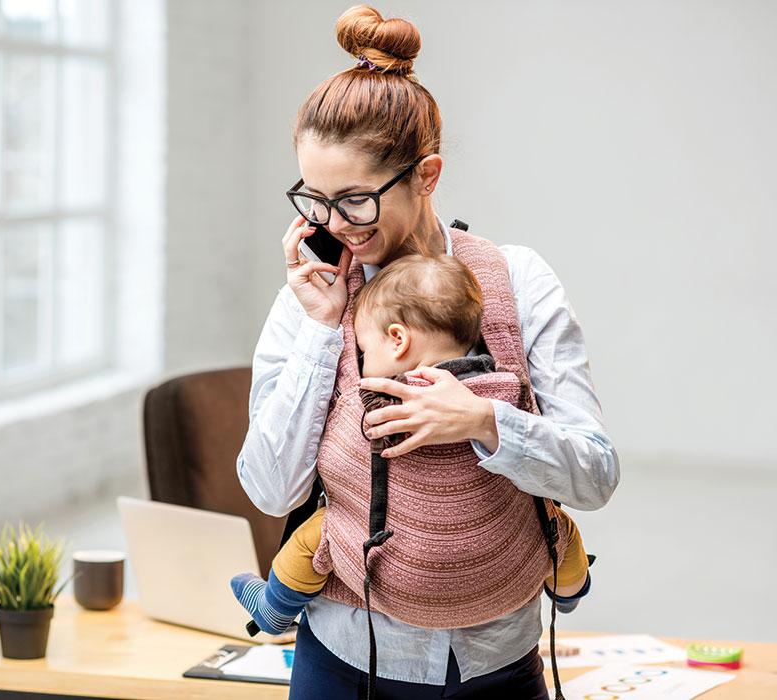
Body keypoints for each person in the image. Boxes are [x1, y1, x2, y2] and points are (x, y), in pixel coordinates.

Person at [237, 5, 619, 699]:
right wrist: (325, 330)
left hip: (497, 664)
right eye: (314, 201)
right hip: (342, 662)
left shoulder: (517, 281)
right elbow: (270, 489)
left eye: (354, 200)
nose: (332, 227)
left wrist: (484, 423)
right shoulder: (311, 300)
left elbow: (595, 475)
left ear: (427, 174)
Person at [230, 254, 592, 637]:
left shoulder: (378, 404)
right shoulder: (503, 390)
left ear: (398, 339)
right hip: (508, 583)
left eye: (365, 352)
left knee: (321, 529)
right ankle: (569, 591)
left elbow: (333, 469)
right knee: (557, 524)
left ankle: (273, 608)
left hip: (393, 586)